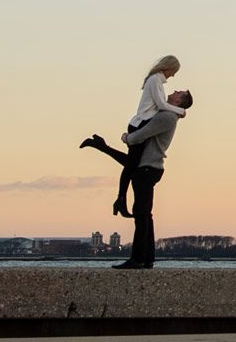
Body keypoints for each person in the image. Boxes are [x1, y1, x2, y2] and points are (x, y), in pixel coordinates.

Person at [81, 90, 192, 269]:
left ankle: (139, 258)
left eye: (177, 92)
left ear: (180, 100)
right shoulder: (168, 115)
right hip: (147, 166)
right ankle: (147, 258)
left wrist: (126, 137)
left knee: (141, 214)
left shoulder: (167, 117)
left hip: (149, 168)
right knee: (144, 214)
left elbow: (139, 135)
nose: (172, 92)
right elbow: (132, 161)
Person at [79, 56, 189, 217]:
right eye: (174, 72)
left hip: (141, 123)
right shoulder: (155, 81)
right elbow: (161, 105)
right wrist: (181, 111)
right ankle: (120, 200)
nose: (173, 76)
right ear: (168, 68)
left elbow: (160, 106)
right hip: (140, 124)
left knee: (131, 164)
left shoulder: (156, 81)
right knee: (132, 165)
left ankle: (119, 198)